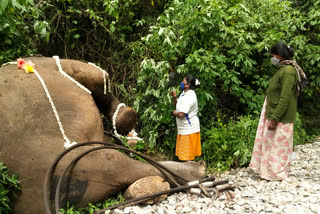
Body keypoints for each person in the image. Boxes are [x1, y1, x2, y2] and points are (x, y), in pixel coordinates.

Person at [249, 42, 308, 181]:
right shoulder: (283, 69)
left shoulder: (288, 71)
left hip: (281, 115)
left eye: (273, 56)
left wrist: (275, 117)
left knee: (278, 146)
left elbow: (285, 97)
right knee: (270, 144)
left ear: (279, 56)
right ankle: (268, 172)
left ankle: (276, 173)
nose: (272, 58)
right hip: (275, 112)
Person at [171, 75, 201, 161]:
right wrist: (174, 97)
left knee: (187, 157)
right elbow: (178, 106)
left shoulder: (190, 96)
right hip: (183, 128)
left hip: (189, 129)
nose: (181, 83)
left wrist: (174, 113)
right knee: (184, 155)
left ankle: (189, 172)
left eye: (183, 81)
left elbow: (181, 114)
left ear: (188, 85)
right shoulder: (184, 94)